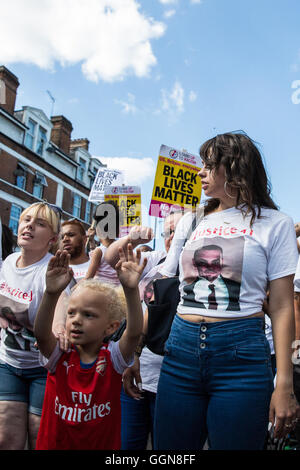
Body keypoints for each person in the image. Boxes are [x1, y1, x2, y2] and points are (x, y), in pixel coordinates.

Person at [153, 131, 299, 450]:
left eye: (208, 165)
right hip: (180, 352)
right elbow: (163, 282)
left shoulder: (276, 223)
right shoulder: (191, 221)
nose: (200, 172)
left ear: (233, 167)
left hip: (241, 356)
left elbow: (283, 306)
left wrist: (284, 383)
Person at [34, 244, 146, 450]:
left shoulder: (113, 357)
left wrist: (131, 290)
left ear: (111, 326)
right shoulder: (60, 353)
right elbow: (41, 334)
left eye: (88, 315)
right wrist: (51, 294)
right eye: (71, 313)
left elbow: (133, 332)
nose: (76, 321)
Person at [104, 211, 183, 449]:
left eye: (178, 232)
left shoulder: (204, 267)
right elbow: (110, 257)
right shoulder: (155, 259)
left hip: (176, 376)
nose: (172, 238)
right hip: (136, 368)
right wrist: (134, 240)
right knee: (128, 444)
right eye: (167, 232)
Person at [0, 201, 61, 449]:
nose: (29, 226)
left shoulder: (52, 270)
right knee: (6, 439)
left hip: (43, 371)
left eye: (40, 223)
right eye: (26, 220)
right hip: (8, 363)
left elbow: (62, 305)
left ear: (52, 238)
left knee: (40, 440)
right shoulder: (9, 261)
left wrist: (61, 329)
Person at [182, 244, 241, 311]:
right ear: (194, 262)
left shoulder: (236, 286)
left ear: (222, 261)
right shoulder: (187, 288)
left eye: (215, 262)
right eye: (203, 263)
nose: (210, 267)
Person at [84, 201, 121, 286]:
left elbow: (88, 279)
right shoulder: (120, 249)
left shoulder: (99, 251)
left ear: (99, 228)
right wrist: (92, 242)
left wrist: (71, 290)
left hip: (101, 293)